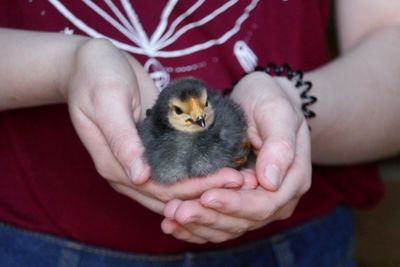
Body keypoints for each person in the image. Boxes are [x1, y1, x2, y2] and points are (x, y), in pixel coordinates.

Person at [0, 0, 399, 266]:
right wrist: (64, 66)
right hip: (38, 241)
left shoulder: (224, 128)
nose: (199, 122)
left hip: (298, 243)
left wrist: (291, 107)